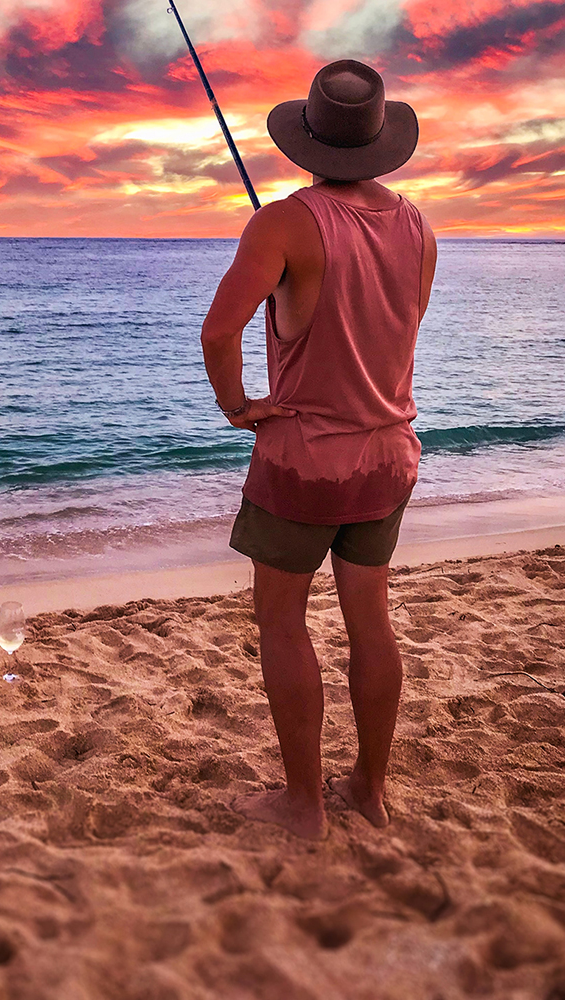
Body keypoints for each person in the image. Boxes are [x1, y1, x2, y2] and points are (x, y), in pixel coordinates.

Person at [201, 59, 437, 841]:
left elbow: (218, 330)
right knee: (371, 618)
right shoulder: (418, 227)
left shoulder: (282, 222)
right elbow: (396, 329)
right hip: (389, 454)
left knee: (282, 620)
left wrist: (239, 407)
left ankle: (304, 802)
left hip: (305, 460)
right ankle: (370, 789)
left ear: (307, 137)